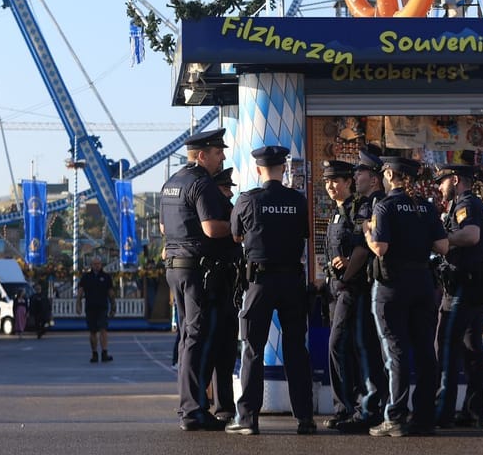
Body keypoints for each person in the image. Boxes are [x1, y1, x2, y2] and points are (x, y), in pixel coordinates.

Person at [225, 146, 315, 436]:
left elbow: (236, 234)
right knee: (296, 350)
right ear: (283, 169)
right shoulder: (297, 201)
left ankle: (248, 418)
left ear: (258, 169)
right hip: (292, 282)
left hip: (259, 283)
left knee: (252, 348)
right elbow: (305, 234)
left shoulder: (248, 199)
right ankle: (305, 418)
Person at [159, 127, 236, 432]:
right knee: (198, 337)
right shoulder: (201, 183)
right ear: (202, 155)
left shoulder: (171, 183)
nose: (222, 157)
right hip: (196, 271)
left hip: (174, 267)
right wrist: (241, 228)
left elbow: (165, 229)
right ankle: (193, 410)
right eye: (218, 153)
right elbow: (211, 229)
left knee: (187, 338)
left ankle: (190, 406)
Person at [366, 157, 448, 437]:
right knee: (426, 350)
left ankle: (395, 416)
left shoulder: (385, 206)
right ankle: (424, 417)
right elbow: (443, 245)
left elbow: (380, 247)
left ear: (390, 174)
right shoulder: (425, 206)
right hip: (423, 282)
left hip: (393, 284)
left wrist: (367, 232)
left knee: (395, 351)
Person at [432, 154, 483, 430]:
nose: (439, 187)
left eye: (442, 181)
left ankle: (442, 411)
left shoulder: (466, 205)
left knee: (445, 345)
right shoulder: (482, 206)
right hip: (476, 285)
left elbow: (472, 235)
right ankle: (474, 411)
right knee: (472, 349)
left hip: (461, 286)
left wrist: (444, 240)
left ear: (455, 180)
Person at [322, 158, 382, 432]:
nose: (330, 185)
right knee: (341, 347)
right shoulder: (335, 213)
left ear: (348, 182)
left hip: (353, 287)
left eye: (336, 180)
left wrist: (346, 272)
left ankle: (357, 407)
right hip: (335, 289)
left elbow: (361, 248)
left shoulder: (360, 208)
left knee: (345, 345)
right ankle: (344, 408)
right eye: (327, 181)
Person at [78, 256, 115, 362]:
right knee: (93, 331)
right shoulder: (86, 277)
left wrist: (113, 306)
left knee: (103, 329)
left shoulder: (106, 277)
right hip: (90, 307)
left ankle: (104, 353)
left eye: (98, 264)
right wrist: (78, 304)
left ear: (101, 265)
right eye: (94, 264)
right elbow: (81, 291)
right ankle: (94, 353)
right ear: (91, 265)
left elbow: (111, 292)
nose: (96, 266)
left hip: (102, 307)